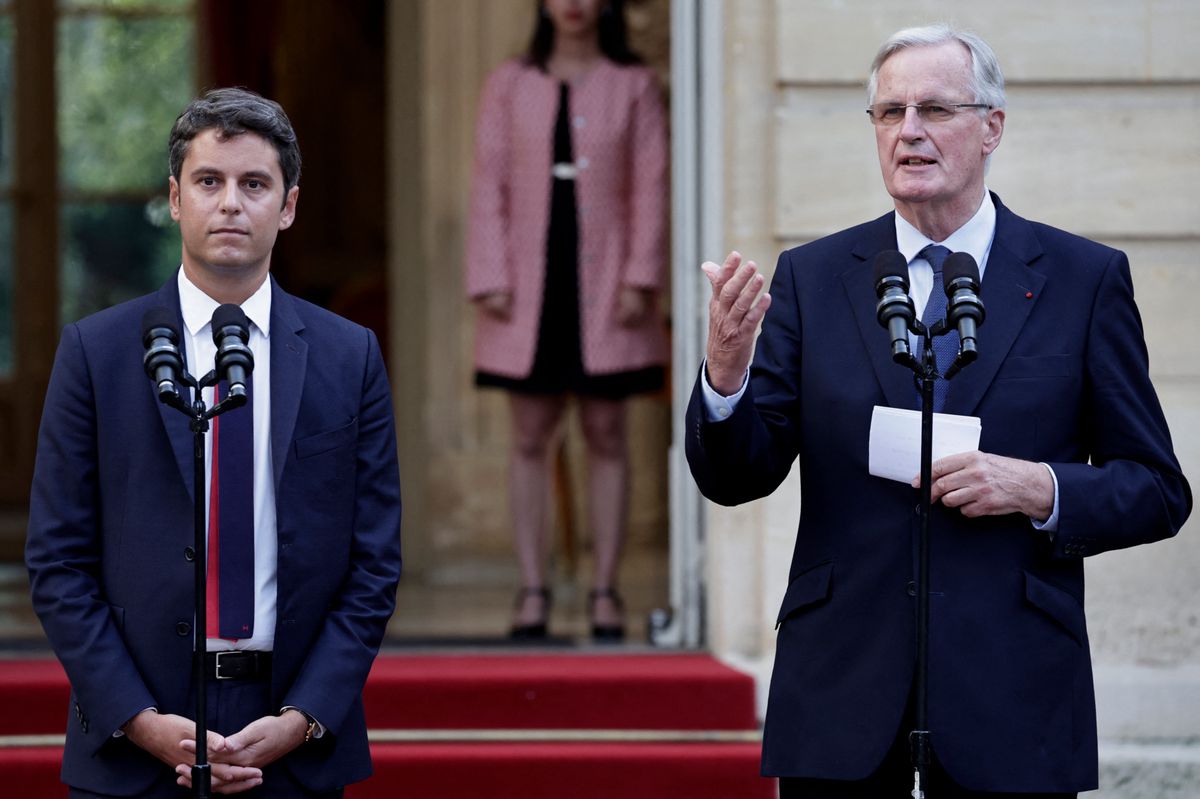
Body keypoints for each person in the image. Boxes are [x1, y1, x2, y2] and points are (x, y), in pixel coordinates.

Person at [687, 23, 1191, 799]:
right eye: (890, 112)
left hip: (1012, 694)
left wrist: (1038, 487)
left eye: (935, 109)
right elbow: (736, 476)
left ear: (992, 127)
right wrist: (726, 374)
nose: (909, 131)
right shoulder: (814, 278)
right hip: (843, 695)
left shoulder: (1082, 279)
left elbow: (1157, 488)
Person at [25, 88, 403, 797]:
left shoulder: (349, 355)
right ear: (175, 198)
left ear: (288, 206)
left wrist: (304, 716)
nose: (230, 203)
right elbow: (57, 559)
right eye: (208, 181)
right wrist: (137, 717)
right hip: (135, 739)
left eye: (254, 184)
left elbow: (374, 562)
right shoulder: (96, 353)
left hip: (293, 738)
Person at [465, 0, 668, 641]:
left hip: (608, 285)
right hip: (527, 288)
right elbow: (488, 183)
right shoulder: (509, 82)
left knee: (607, 433)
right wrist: (490, 276)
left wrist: (641, 276)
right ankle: (533, 588)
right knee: (529, 438)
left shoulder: (634, 85)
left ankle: (605, 588)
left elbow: (652, 184)